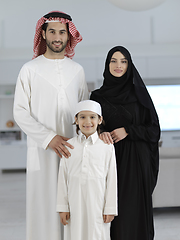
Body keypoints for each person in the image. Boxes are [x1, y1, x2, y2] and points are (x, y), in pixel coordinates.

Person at [13, 11, 89, 240]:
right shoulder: (29, 69)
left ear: (69, 36)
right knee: (44, 206)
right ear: (43, 34)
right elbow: (19, 112)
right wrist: (49, 138)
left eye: (62, 32)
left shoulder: (77, 70)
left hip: (73, 150)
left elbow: (84, 111)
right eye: (52, 31)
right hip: (42, 150)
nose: (57, 37)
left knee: (75, 204)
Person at [90, 46, 160, 240]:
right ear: (107, 64)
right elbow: (89, 125)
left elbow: (154, 130)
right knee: (112, 213)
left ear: (129, 65)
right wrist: (100, 132)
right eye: (113, 61)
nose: (118, 65)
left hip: (137, 163)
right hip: (109, 161)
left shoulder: (140, 95)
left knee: (133, 212)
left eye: (123, 61)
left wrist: (128, 130)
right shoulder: (97, 97)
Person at [56, 100, 118, 240]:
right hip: (74, 203)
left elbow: (112, 178)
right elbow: (62, 178)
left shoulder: (106, 146)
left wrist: (110, 209)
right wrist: (62, 207)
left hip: (98, 204)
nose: (87, 121)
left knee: (97, 234)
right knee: (75, 234)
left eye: (92, 117)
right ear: (76, 120)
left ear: (100, 120)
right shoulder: (69, 145)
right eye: (82, 117)